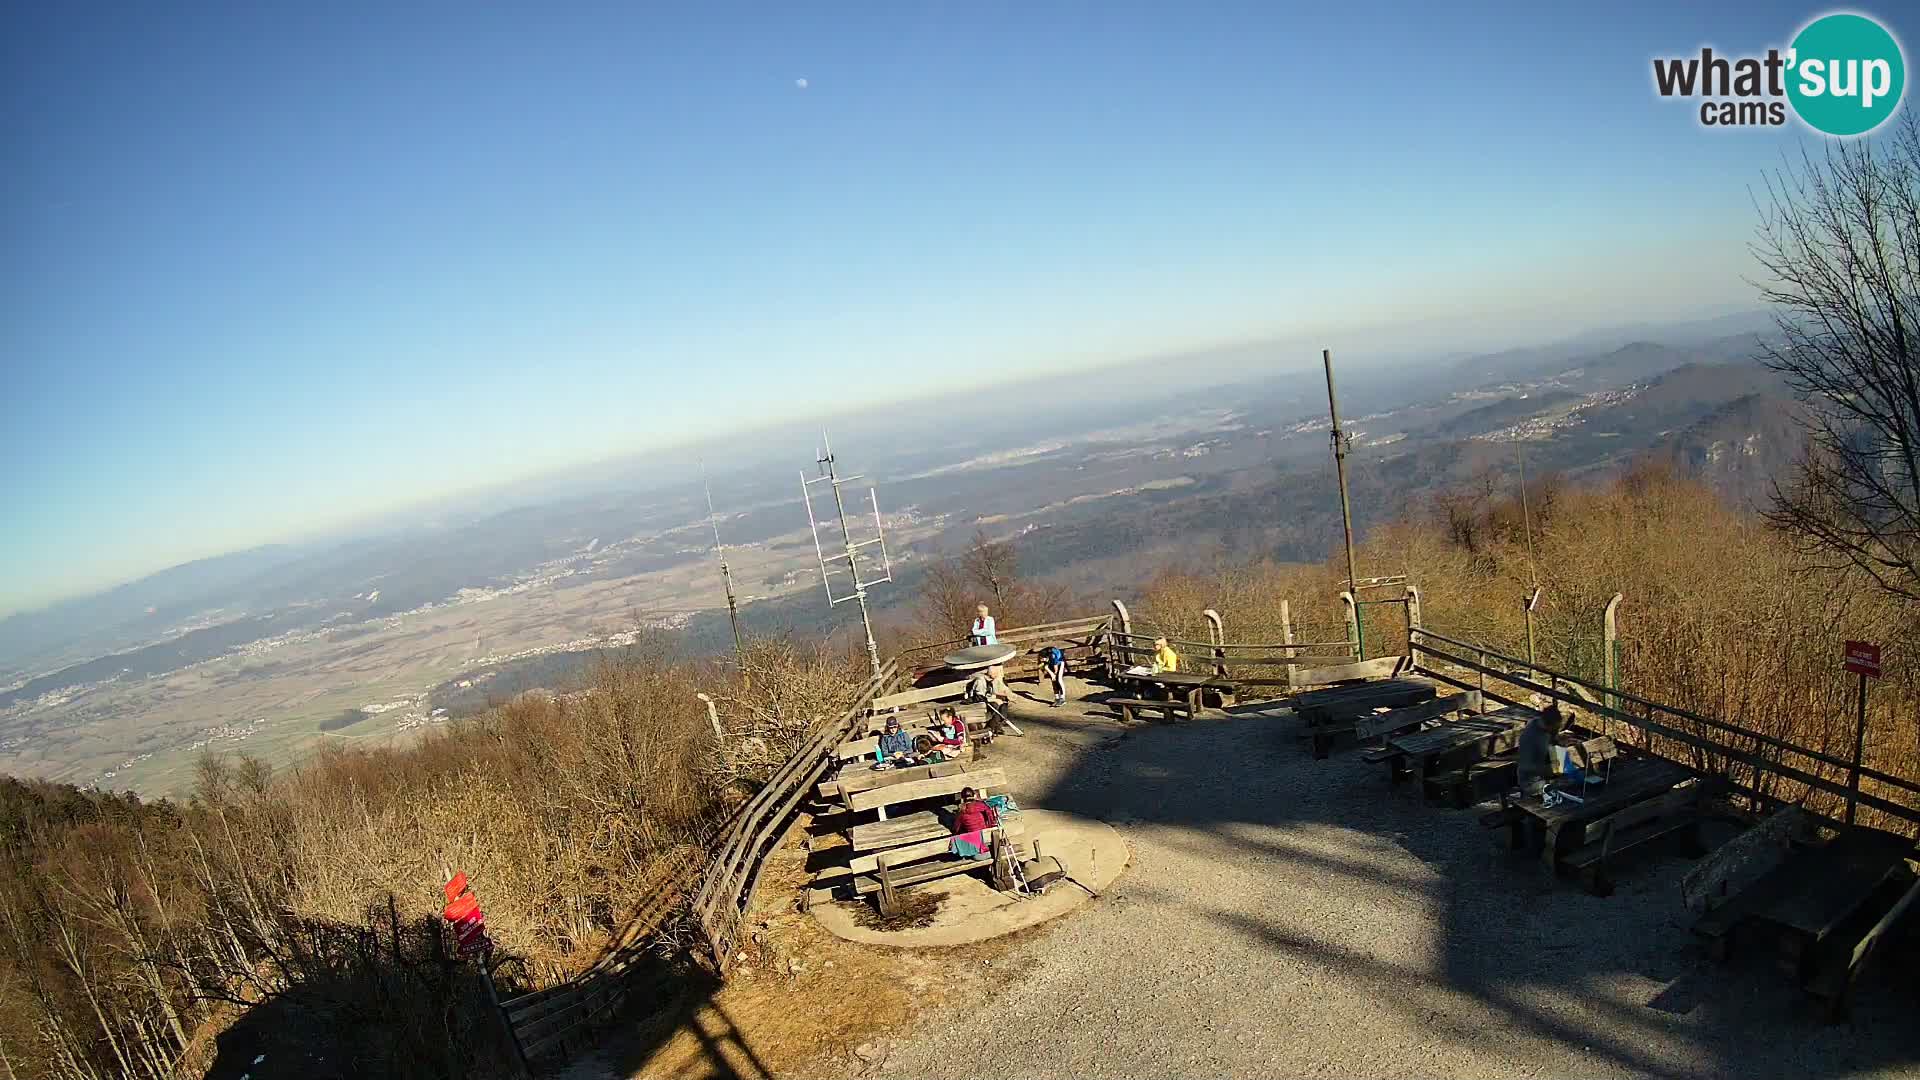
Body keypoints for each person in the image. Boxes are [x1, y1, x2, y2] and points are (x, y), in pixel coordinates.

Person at [1515, 703, 1566, 797]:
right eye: (1556, 727)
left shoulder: (1544, 728)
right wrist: (1549, 769)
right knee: (1567, 785)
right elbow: (1527, 766)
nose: (1557, 730)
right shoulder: (1532, 737)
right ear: (1549, 724)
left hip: (1546, 776)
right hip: (1531, 782)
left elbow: (1554, 746)